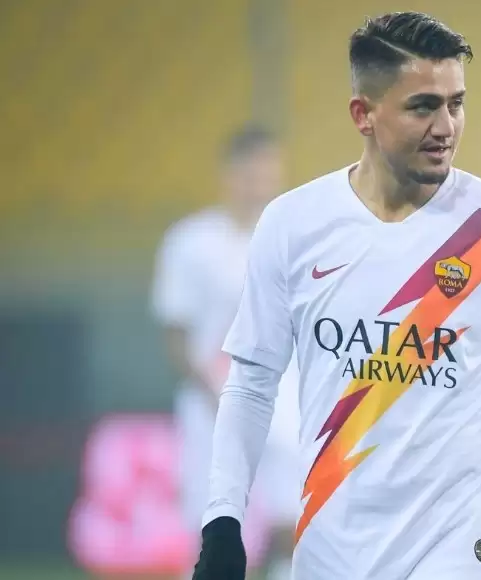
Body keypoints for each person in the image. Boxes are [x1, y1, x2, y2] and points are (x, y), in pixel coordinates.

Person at [193, 11, 481, 580]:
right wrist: (223, 522)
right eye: (422, 106)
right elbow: (251, 384)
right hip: (330, 545)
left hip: (460, 542)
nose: (446, 126)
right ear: (363, 114)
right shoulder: (292, 225)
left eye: (456, 103)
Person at [151, 126, 301, 580]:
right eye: (251, 171)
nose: (260, 181)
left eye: (268, 171)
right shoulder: (191, 241)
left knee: (293, 512)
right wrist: (212, 392)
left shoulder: (289, 241)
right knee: (216, 522)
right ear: (230, 173)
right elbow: (176, 331)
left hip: (283, 398)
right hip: (211, 401)